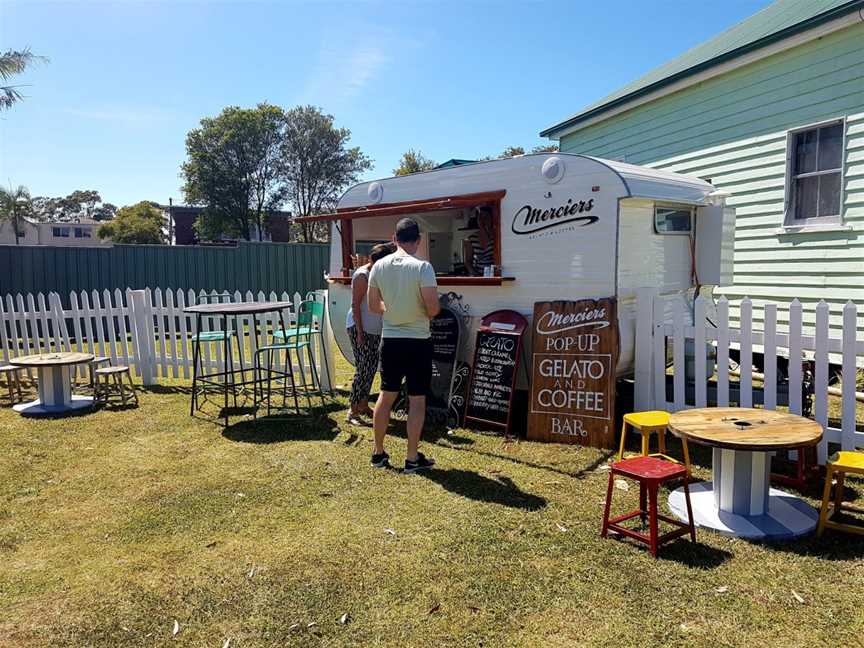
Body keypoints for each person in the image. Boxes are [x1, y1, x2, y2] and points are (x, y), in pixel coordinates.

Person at [367, 217, 440, 473]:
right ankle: (411, 458)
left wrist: (393, 308)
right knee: (417, 400)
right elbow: (433, 309)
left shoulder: (378, 267)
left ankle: (378, 453)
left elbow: (373, 307)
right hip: (418, 341)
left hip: (391, 340)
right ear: (418, 241)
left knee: (386, 396)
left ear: (394, 238)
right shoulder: (423, 267)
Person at [346, 242, 395, 426]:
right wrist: (360, 333)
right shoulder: (362, 276)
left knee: (371, 368)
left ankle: (364, 405)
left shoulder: (379, 274)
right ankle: (352, 411)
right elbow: (355, 305)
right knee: (363, 369)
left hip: (374, 329)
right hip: (361, 328)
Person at [462, 205, 495, 276]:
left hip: (494, 276)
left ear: (491, 219)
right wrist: (476, 275)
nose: (483, 220)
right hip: (478, 276)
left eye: (486, 217)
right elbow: (468, 261)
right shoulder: (471, 239)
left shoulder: (497, 237)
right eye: (480, 217)